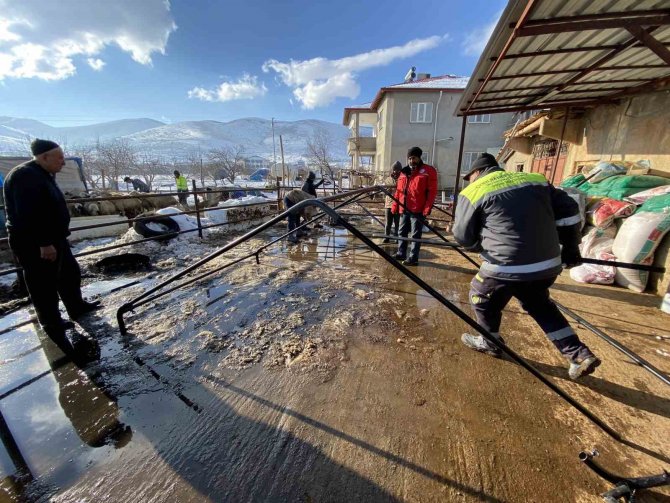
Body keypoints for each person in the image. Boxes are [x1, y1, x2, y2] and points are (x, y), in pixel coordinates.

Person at [452, 153, 601, 380]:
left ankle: (490, 341)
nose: (469, 181)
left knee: (481, 296)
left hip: (506, 265)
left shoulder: (474, 191)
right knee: (539, 304)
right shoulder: (534, 179)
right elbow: (569, 209)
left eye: (469, 177)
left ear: (477, 172)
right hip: (547, 264)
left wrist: (478, 246)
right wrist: (570, 246)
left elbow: (463, 237)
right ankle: (578, 354)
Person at [3, 139, 101, 356]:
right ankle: (51, 323)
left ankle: (76, 306)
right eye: (59, 157)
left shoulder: (44, 174)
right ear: (43, 157)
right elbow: (28, 213)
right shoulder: (24, 176)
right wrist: (44, 243)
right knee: (43, 282)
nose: (63, 162)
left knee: (68, 273)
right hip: (35, 243)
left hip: (54, 239)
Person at [391, 147, 438, 266]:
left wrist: (427, 208)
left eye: (414, 158)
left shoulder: (428, 171)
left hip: (418, 209)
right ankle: (401, 252)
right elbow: (398, 191)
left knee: (415, 235)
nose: (412, 160)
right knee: (402, 232)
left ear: (419, 158)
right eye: (410, 158)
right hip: (404, 208)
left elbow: (432, 192)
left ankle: (413, 257)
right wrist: (395, 205)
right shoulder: (403, 172)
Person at [382, 161, 402, 243]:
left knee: (397, 223)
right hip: (388, 204)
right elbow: (383, 191)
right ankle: (386, 237)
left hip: (398, 204)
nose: (395, 171)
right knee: (388, 223)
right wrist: (387, 190)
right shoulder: (387, 179)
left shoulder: (402, 179)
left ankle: (397, 238)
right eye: (394, 169)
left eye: (397, 170)